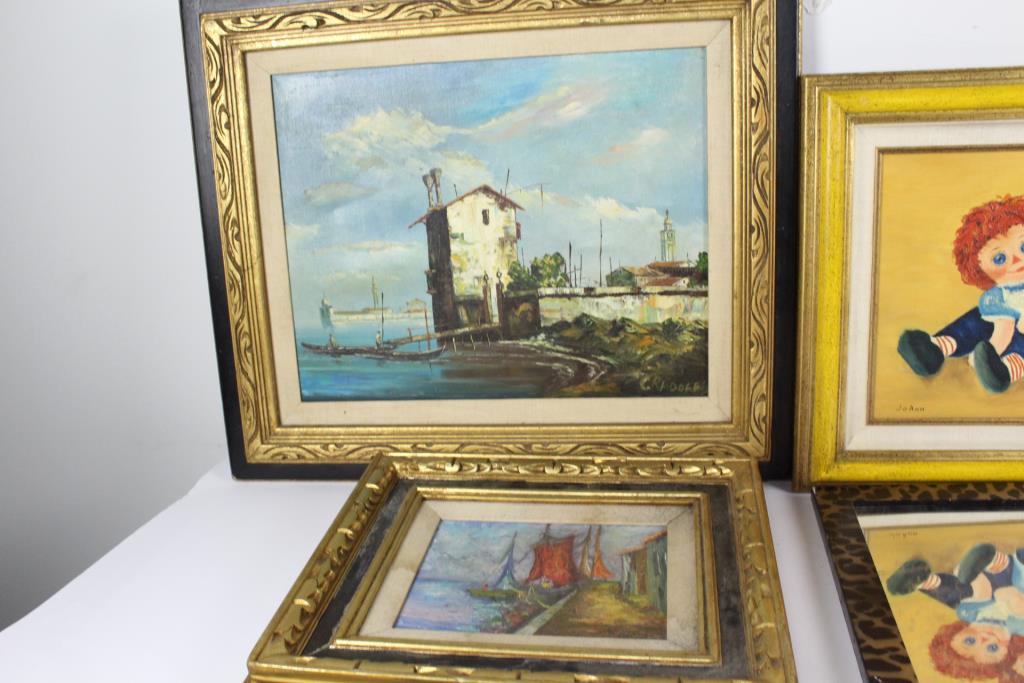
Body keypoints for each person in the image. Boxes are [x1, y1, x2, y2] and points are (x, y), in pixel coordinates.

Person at [898, 194, 1024, 393]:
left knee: (1020, 347)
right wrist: (990, 347)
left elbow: (1006, 333)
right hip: (1001, 323)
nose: (1017, 260)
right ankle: (937, 346)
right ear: (981, 271)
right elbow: (1003, 327)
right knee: (976, 320)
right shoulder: (998, 296)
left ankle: (1004, 370)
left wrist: (990, 351)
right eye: (1000, 258)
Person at [888, 544, 1024, 679]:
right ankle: (994, 561)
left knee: (960, 594)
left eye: (970, 641)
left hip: (982, 581)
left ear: (956, 632)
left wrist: (970, 582)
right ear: (1009, 652)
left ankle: (923, 580)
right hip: (1012, 575)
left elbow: (979, 590)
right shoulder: (1018, 628)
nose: (984, 638)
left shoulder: (969, 615)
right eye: (992, 648)